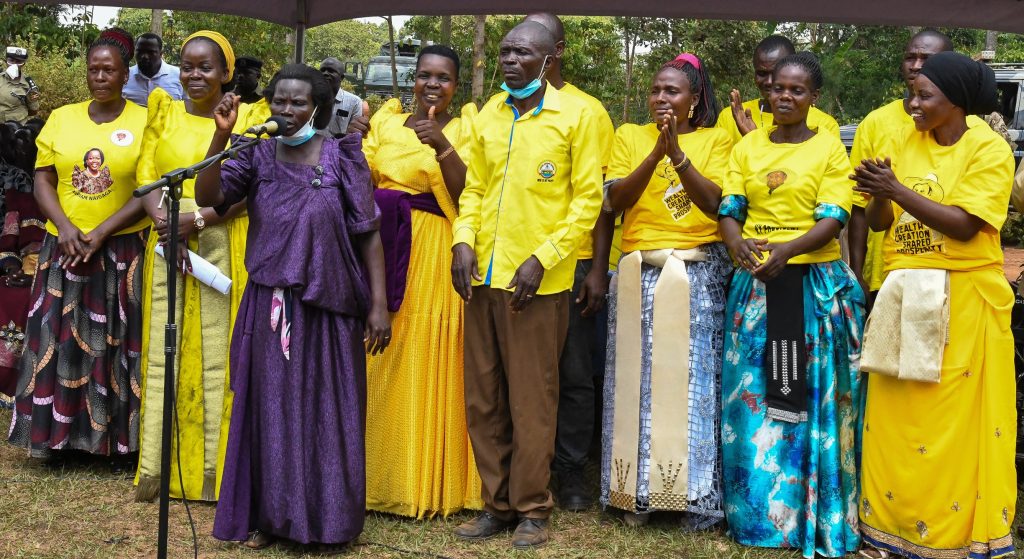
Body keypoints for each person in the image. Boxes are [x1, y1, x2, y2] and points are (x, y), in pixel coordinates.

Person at [195, 63, 390, 552]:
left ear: (318, 108)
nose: (286, 109)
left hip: (329, 307)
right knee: (271, 411)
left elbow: (368, 235)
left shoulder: (344, 156)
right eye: (279, 100)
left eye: (298, 102)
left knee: (327, 411)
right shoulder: (256, 154)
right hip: (270, 304)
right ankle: (273, 518)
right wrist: (220, 138)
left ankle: (327, 523)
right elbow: (210, 197)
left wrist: (379, 307)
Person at [854, 51, 1017, 559]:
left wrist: (895, 188)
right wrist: (879, 194)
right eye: (913, 93)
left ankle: (949, 538)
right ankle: (887, 529)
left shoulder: (988, 150)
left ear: (957, 103)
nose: (913, 103)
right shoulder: (905, 140)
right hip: (903, 293)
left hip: (962, 299)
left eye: (925, 96)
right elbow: (882, 223)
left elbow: (967, 224)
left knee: (947, 422)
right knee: (895, 416)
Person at [450, 21, 603, 549]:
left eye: (523, 53)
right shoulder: (490, 113)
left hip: (536, 284)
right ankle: (496, 504)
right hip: (482, 277)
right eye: (505, 51)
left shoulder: (577, 115)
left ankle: (533, 507)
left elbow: (588, 201)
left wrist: (544, 257)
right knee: (484, 396)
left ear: (549, 59)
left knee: (533, 399)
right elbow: (474, 187)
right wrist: (462, 240)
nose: (511, 60)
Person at [717, 52, 864, 558]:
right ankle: (758, 518)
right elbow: (730, 206)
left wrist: (789, 251)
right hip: (756, 285)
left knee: (812, 398)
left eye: (796, 91)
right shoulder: (748, 146)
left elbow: (834, 217)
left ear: (813, 98)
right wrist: (735, 241)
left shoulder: (829, 150)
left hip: (810, 287)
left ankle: (808, 516)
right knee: (753, 400)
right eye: (777, 88)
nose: (784, 97)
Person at [600, 52, 733, 530]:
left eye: (672, 91)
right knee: (633, 382)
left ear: (694, 100)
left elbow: (717, 202)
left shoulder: (719, 139)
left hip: (696, 269)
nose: (661, 98)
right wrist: (655, 151)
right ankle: (633, 494)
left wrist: (678, 154)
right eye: (656, 90)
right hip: (637, 269)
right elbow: (614, 200)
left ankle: (689, 496)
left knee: (689, 381)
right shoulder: (629, 136)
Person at [133, 30, 268, 502]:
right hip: (167, 238)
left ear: (226, 74)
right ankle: (160, 469)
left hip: (224, 239)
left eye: (205, 67)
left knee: (218, 356)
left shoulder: (250, 117)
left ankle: (216, 472)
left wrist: (199, 218)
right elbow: (147, 176)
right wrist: (165, 219)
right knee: (164, 351)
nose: (194, 75)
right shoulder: (162, 110)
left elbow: (254, 186)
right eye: (187, 66)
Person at [7, 28, 149, 465]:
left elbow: (148, 188)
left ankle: (116, 444)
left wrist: (102, 230)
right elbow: (43, 177)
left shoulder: (144, 121)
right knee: (57, 339)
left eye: (109, 69)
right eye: (93, 69)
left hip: (120, 247)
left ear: (126, 74)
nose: (100, 76)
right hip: (63, 245)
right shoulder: (62, 118)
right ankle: (56, 440)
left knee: (116, 343)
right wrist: (65, 227)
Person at [362, 45, 482, 518]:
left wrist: (442, 146)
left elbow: (469, 191)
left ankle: (425, 478)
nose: (433, 85)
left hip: (433, 248)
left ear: (455, 85)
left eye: (444, 78)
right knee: (381, 353)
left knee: (428, 351)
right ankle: (376, 474)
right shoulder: (386, 123)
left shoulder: (465, 128)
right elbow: (363, 176)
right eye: (424, 76)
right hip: (381, 244)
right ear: (413, 79)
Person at [522, 12, 617, 512]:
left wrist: (598, 268)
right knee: (525, 374)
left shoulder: (588, 110)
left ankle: (571, 472)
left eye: (531, 45)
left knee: (575, 372)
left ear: (555, 51)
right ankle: (527, 470)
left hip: (574, 262)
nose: (518, 54)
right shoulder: (503, 107)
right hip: (516, 263)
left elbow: (599, 197)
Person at [848, 29, 971, 300]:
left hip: (949, 274)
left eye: (926, 58)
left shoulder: (974, 134)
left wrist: (894, 190)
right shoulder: (875, 123)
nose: (916, 65)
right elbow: (860, 208)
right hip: (887, 272)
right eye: (910, 57)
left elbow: (968, 222)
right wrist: (857, 273)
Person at [716, 35, 840, 144]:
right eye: (762, 73)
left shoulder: (825, 125)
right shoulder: (730, 117)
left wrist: (756, 143)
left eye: (777, 72)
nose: (770, 81)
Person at [0, 118, 45, 405]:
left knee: (30, 298)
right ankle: (6, 381)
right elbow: (8, 239)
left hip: (54, 269)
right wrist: (12, 267)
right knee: (6, 292)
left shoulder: (67, 196)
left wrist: (39, 274)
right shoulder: (19, 197)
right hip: (24, 268)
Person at [123, 33, 184, 107]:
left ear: (161, 54)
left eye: (150, 52)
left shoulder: (178, 75)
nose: (144, 56)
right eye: (140, 51)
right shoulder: (124, 77)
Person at [319, 57, 363, 138]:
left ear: (342, 77)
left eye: (331, 71)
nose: (325, 73)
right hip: (312, 148)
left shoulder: (354, 102)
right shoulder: (310, 98)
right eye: (322, 70)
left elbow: (354, 135)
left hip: (338, 148)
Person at [0, 47, 40, 124]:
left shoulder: (29, 84)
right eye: (11, 61)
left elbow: (33, 110)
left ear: (23, 64)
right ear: (6, 62)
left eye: (18, 61)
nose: (14, 65)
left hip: (15, 127)